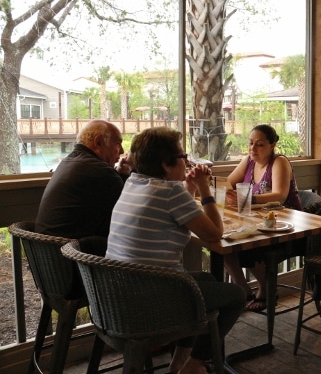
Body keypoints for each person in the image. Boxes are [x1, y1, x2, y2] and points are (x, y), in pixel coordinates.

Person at [104, 127, 245, 374]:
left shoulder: (134, 183)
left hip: (119, 295)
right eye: (182, 156)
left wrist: (188, 188)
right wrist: (204, 188)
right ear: (167, 165)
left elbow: (175, 215)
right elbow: (214, 234)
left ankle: (179, 362)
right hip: (153, 299)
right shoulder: (169, 192)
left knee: (207, 279)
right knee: (237, 295)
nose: (187, 160)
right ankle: (195, 364)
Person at [224, 124, 302, 312]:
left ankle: (266, 287)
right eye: (251, 143)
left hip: (286, 225)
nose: (253, 148)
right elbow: (228, 182)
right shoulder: (248, 161)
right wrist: (227, 192)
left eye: (259, 144)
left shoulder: (279, 162)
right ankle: (243, 289)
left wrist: (247, 197)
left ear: (272, 144)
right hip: (257, 221)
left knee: (246, 248)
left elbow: (280, 196)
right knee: (223, 243)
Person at [35, 119, 132, 238]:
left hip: (46, 250)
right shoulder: (101, 171)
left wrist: (121, 174)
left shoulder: (69, 161)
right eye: (118, 143)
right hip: (73, 252)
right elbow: (131, 209)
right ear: (98, 142)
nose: (121, 151)